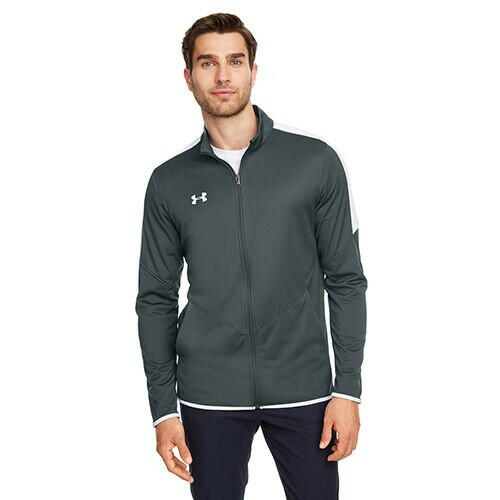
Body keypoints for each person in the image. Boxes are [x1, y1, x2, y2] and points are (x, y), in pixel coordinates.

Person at [135, 12, 368, 500]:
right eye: (208, 63)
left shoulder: (314, 162)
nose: (223, 75)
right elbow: (155, 297)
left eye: (235, 61)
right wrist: (163, 409)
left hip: (304, 388)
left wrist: (347, 390)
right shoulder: (169, 182)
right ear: (188, 77)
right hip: (208, 394)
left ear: (253, 71)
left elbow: (346, 279)